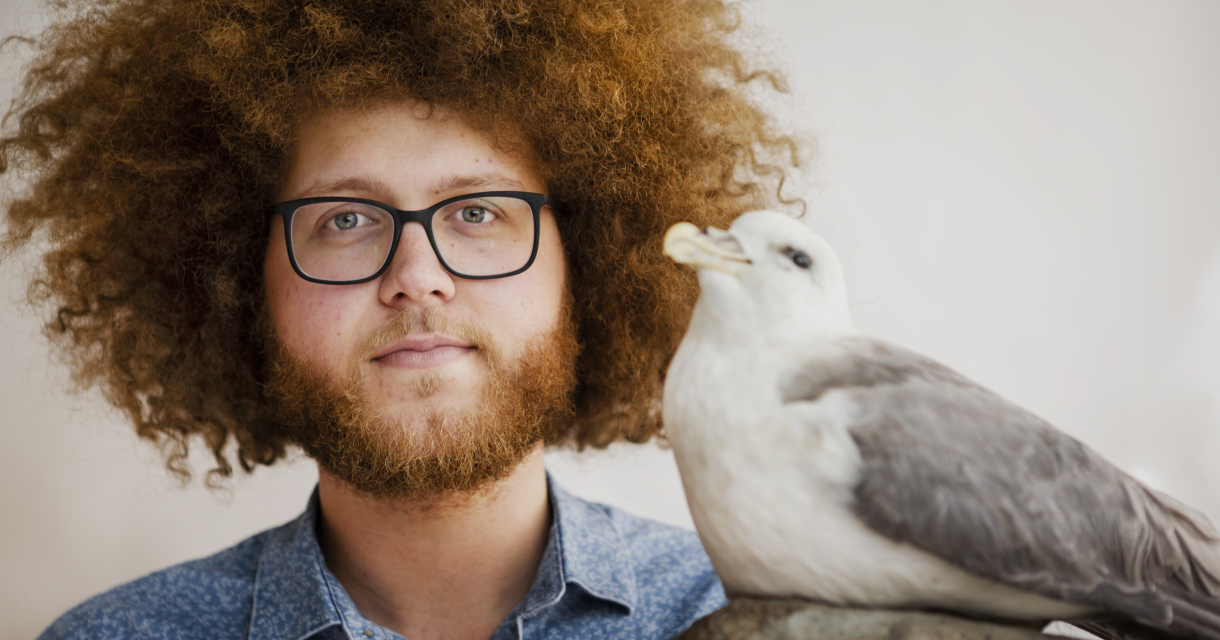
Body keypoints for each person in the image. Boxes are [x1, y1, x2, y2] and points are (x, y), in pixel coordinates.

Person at [1, 0, 800, 638]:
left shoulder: (759, 622)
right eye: (344, 221)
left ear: (587, 264)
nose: (418, 279)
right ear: (240, 285)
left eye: (479, 213)